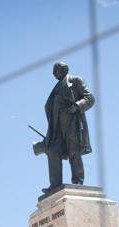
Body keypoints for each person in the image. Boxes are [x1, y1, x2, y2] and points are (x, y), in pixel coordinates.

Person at [42, 62, 94, 194]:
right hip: (55, 126)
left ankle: (77, 181)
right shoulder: (55, 89)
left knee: (73, 152)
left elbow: (90, 98)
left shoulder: (76, 80)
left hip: (72, 122)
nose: (53, 73)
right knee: (52, 150)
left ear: (64, 69)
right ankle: (55, 184)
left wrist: (77, 106)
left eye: (55, 70)